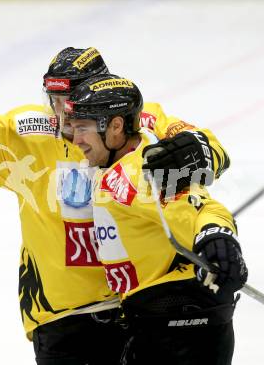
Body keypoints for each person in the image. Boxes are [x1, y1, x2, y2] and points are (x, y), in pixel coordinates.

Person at [0, 34, 231, 364]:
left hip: (140, 312)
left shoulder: (138, 119)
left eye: (69, 102)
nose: (62, 114)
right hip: (65, 321)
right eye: (54, 101)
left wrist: (199, 151)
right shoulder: (29, 132)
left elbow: (209, 154)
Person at [64, 73, 248, 364]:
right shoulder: (119, 166)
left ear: (115, 127)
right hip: (164, 325)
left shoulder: (135, 173)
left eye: (83, 128)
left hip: (178, 329)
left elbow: (196, 208)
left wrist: (216, 237)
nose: (77, 140)